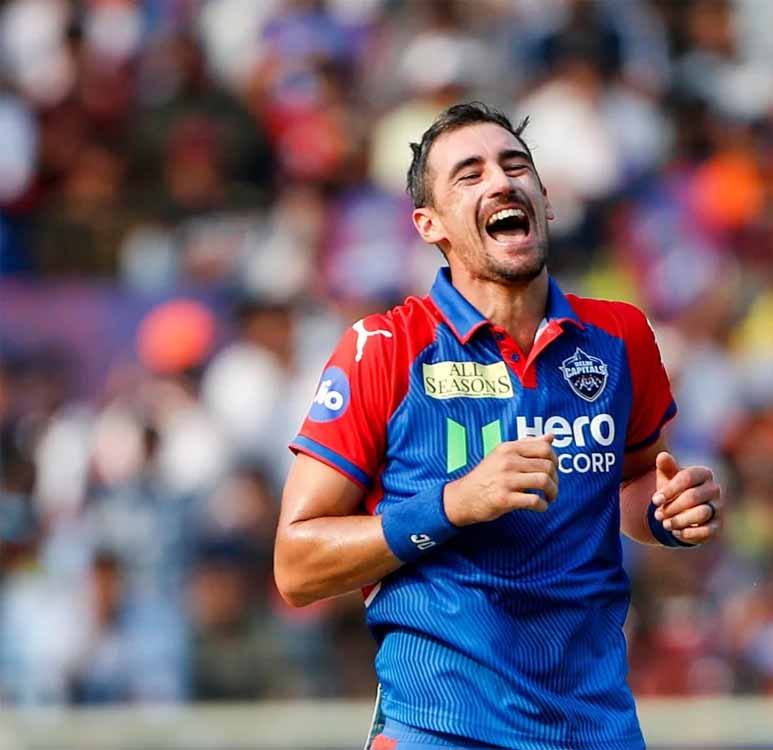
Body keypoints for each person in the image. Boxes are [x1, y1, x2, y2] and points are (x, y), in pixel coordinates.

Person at [274, 102, 722, 750]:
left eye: (516, 167)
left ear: (546, 199)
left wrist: (667, 510)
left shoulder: (620, 336)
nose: (502, 182)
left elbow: (630, 484)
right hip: (440, 729)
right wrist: (454, 504)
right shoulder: (384, 349)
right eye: (470, 174)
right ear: (430, 224)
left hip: (597, 730)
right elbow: (297, 566)